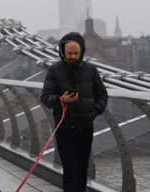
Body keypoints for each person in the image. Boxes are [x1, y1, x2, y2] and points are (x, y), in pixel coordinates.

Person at [41, 32, 108, 192]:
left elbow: (102, 95)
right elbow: (45, 97)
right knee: (70, 170)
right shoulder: (54, 70)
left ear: (81, 52)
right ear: (62, 52)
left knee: (82, 169)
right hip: (64, 128)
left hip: (85, 127)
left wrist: (93, 112)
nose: (72, 56)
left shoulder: (91, 69)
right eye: (69, 53)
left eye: (76, 53)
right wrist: (61, 100)